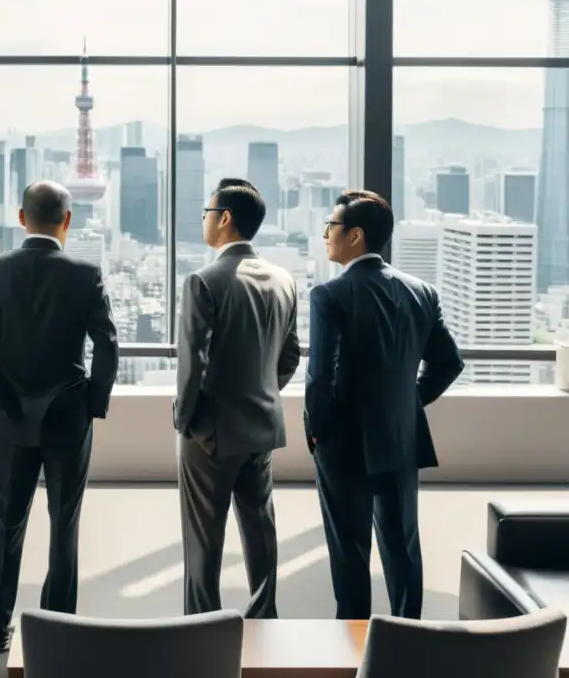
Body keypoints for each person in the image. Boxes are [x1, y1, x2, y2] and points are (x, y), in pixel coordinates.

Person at [0, 181, 119, 652]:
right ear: (67, 221)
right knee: (63, 522)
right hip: (68, 418)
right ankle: (55, 627)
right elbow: (107, 345)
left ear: (20, 218)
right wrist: (93, 402)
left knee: (4, 522)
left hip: (9, 416)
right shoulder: (85, 274)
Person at [305, 190, 464, 620]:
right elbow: (449, 363)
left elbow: (320, 377)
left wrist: (317, 431)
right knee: (403, 547)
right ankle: (407, 642)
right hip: (401, 438)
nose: (324, 234)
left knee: (350, 554)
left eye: (331, 227)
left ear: (355, 235)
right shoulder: (422, 292)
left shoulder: (330, 296)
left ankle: (353, 652)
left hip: (344, 445)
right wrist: (408, 404)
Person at [174, 178, 300, 619]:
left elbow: (193, 365)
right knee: (260, 531)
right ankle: (265, 620)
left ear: (224, 219)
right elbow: (289, 356)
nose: (205, 221)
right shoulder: (284, 279)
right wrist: (261, 394)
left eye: (207, 213)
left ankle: (204, 629)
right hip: (262, 426)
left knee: (203, 540)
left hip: (211, 431)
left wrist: (184, 420)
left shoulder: (203, 281)